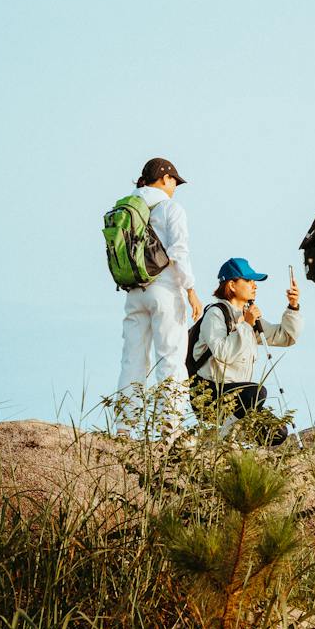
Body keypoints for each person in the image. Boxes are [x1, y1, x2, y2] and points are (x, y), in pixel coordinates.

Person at [117, 157, 202, 431]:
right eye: (175, 181)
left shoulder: (126, 207)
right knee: (171, 357)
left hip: (134, 291)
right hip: (164, 290)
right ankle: (170, 426)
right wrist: (191, 290)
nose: (175, 186)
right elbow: (179, 251)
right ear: (165, 178)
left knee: (132, 358)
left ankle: (124, 427)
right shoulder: (169, 207)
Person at [190, 258, 302, 431]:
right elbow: (222, 352)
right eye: (248, 280)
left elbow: (285, 337)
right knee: (256, 392)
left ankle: (232, 436)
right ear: (232, 285)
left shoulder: (245, 316)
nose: (254, 285)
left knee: (277, 431)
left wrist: (293, 307)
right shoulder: (215, 314)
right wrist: (247, 325)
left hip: (238, 397)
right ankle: (221, 438)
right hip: (208, 394)